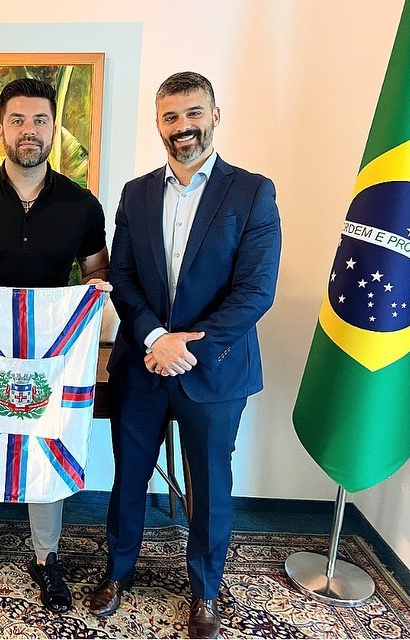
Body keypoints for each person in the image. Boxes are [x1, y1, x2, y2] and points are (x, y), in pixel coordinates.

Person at [86, 72, 281, 638]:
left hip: (215, 369)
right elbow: (122, 276)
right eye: (170, 117)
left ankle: (205, 591)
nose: (182, 127)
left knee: (211, 485)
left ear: (214, 116)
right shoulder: (136, 193)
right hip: (143, 366)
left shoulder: (252, 192)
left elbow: (255, 290)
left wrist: (187, 348)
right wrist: (154, 339)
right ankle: (117, 573)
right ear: (158, 124)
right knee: (129, 477)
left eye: (193, 113)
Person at [0, 77, 111, 614]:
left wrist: (97, 290)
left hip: (52, 357)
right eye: (17, 120)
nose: (28, 131)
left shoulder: (83, 205)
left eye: (39, 120)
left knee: (46, 442)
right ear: (0, 127)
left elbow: (97, 270)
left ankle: (46, 559)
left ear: (54, 127)